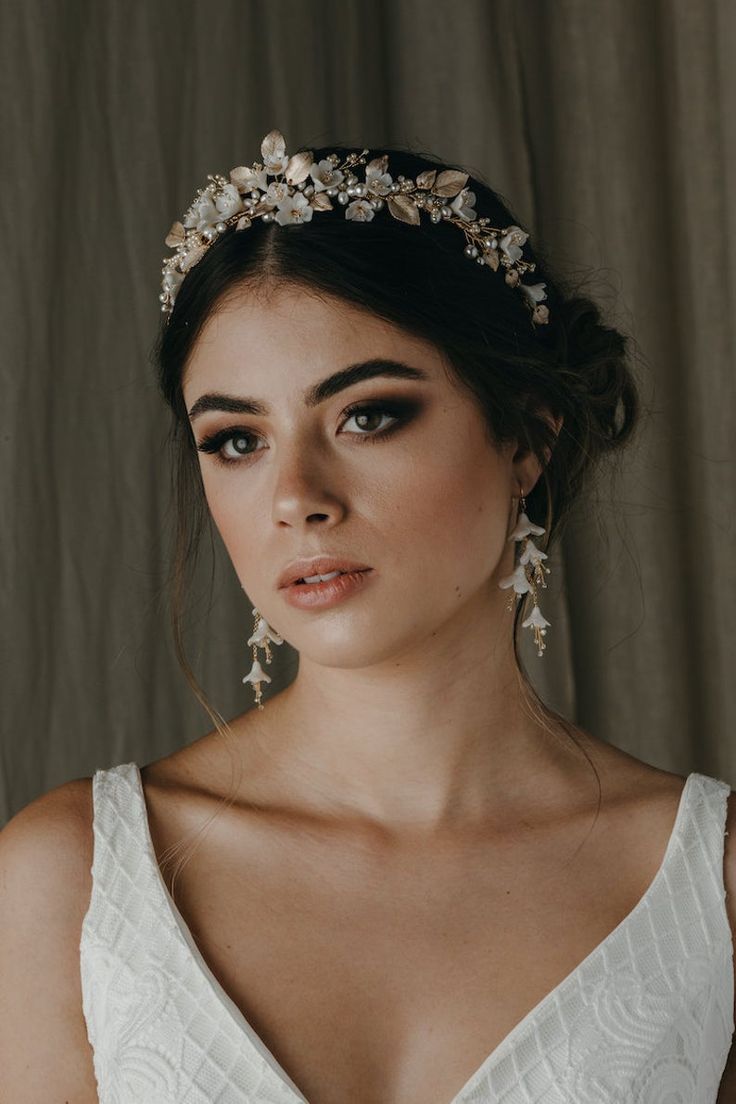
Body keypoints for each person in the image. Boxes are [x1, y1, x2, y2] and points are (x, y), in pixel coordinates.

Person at [1, 130, 735, 1102]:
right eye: (235, 439)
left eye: (368, 415)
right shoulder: (70, 881)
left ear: (525, 437)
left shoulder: (713, 888)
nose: (295, 495)